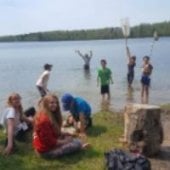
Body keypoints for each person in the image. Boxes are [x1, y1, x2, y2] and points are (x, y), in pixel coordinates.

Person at [33, 94, 89, 158]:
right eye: (52, 103)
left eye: (56, 102)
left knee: (74, 139)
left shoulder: (48, 114)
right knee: (76, 144)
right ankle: (79, 147)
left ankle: (79, 145)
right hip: (46, 151)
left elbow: (53, 132)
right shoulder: (44, 121)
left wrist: (66, 134)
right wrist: (65, 142)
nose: (55, 105)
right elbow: (51, 142)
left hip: (47, 144)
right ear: (45, 103)